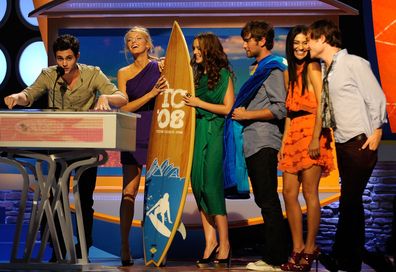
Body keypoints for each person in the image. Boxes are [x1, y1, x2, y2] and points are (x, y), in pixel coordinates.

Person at [4, 34, 128, 261]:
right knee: (52, 198)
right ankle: (58, 249)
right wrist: (17, 96)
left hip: (86, 148)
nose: (64, 63)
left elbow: (122, 97)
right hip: (56, 149)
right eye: (60, 58)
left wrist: (107, 98)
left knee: (84, 200)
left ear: (77, 57)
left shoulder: (93, 73)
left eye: (68, 58)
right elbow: (28, 95)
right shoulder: (49, 75)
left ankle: (84, 249)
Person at [307, 19, 387, 272]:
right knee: (350, 202)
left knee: (350, 202)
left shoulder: (353, 63)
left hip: (359, 142)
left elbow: (376, 97)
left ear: (322, 39)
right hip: (342, 142)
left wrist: (377, 130)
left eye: (310, 38)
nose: (307, 43)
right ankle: (351, 257)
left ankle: (349, 259)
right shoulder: (327, 68)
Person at [229, 20, 289, 271]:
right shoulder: (259, 68)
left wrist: (247, 115)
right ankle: (277, 255)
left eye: (247, 39)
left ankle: (276, 259)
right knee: (264, 199)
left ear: (261, 41)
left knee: (268, 200)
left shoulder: (273, 69)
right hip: (253, 141)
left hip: (264, 141)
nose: (244, 44)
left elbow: (280, 108)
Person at [277, 25, 334, 272]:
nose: (300, 47)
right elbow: (290, 112)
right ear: (290, 46)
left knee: (310, 193)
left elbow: (322, 103)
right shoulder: (287, 73)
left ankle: (310, 248)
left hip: (312, 131)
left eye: (304, 43)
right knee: (288, 192)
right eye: (295, 43)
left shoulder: (313, 67)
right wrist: (283, 142)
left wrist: (315, 138)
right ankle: (297, 247)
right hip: (293, 135)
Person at [183, 32, 234, 268]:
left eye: (198, 48)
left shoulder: (223, 75)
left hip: (214, 132)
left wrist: (199, 103)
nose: (195, 52)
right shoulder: (194, 76)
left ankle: (225, 244)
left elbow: (228, 108)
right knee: (199, 185)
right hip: (197, 132)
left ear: (209, 50)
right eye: (193, 48)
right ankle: (210, 241)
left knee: (212, 187)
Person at [116, 26, 167, 266]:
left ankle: (155, 248)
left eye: (138, 39)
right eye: (130, 40)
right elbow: (124, 108)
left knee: (154, 194)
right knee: (129, 192)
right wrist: (150, 94)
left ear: (148, 44)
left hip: (157, 130)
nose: (133, 42)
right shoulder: (123, 73)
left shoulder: (160, 66)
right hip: (132, 131)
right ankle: (125, 245)